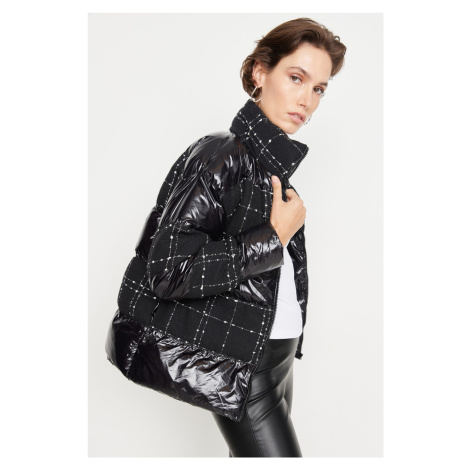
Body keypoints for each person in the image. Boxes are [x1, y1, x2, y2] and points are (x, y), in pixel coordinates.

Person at [105, 17, 346, 458]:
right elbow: (168, 270)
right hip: (247, 368)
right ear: (260, 72)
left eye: (319, 89)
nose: (307, 100)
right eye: (297, 78)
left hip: (277, 358)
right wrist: (272, 238)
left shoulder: (271, 168)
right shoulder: (222, 155)